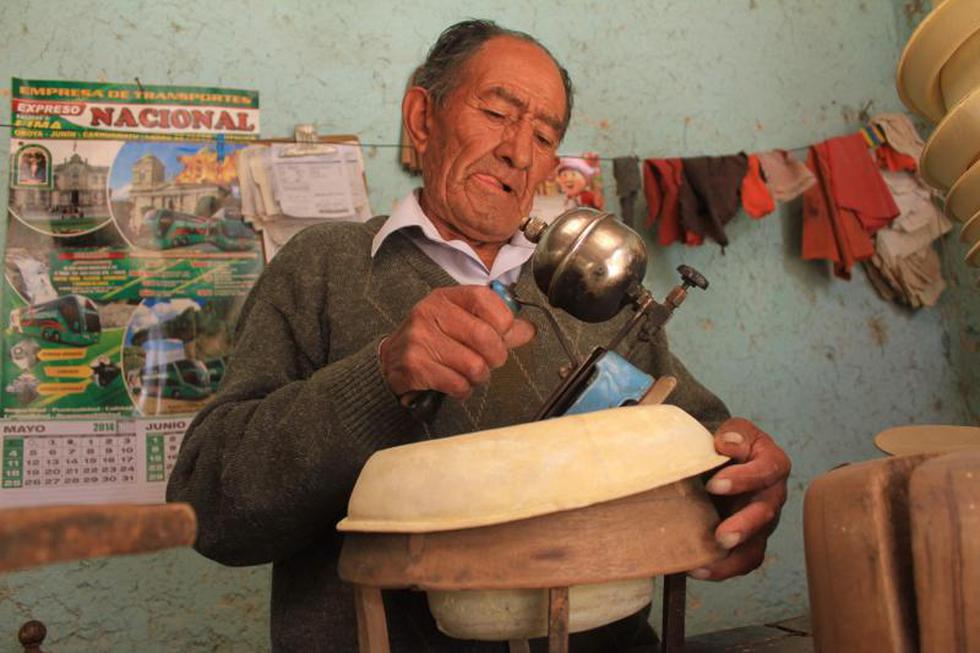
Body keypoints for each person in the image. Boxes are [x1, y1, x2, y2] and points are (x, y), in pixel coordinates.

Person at [167, 20, 791, 653]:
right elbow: (211, 511)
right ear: (421, 117)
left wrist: (746, 485)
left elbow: (706, 456)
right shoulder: (324, 268)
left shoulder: (590, 293)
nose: (518, 151)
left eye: (544, 136)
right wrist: (379, 378)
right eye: (496, 112)